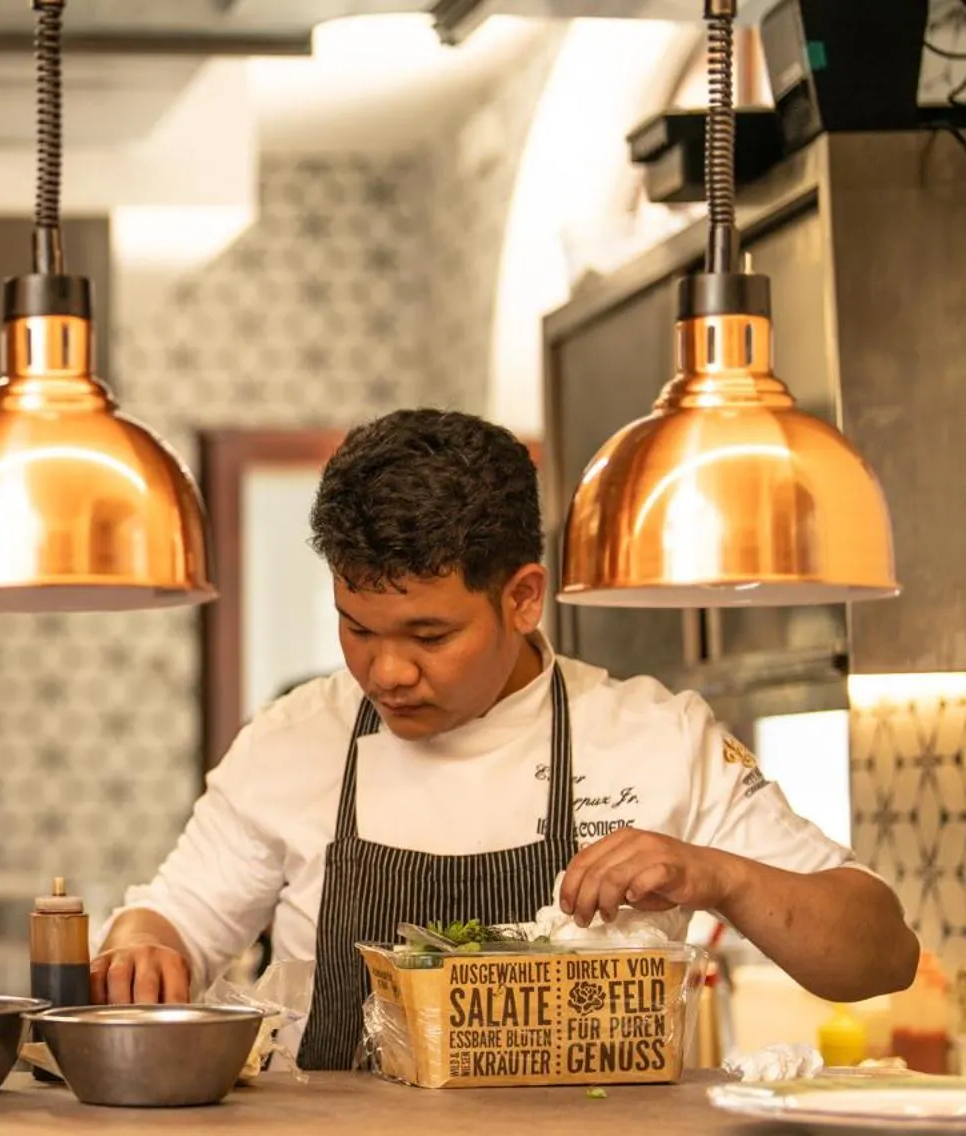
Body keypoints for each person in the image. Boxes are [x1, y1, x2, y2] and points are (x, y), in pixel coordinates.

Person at [92, 408, 919, 1069]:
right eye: (356, 627)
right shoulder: (289, 741)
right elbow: (171, 924)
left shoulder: (656, 738)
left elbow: (881, 953)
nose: (386, 673)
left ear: (523, 598)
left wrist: (719, 876)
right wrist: (142, 947)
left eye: (427, 635)